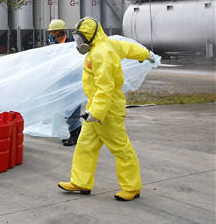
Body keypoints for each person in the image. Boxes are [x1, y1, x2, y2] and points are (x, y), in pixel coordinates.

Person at [58, 17, 156, 202]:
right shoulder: (106, 44)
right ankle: (81, 182)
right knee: (85, 146)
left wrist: (96, 113)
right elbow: (129, 48)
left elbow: (106, 87)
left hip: (107, 110)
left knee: (120, 148)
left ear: (90, 36)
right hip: (95, 108)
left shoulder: (101, 54)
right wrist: (146, 54)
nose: (79, 42)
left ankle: (131, 188)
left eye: (81, 38)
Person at [48, 19, 83, 146]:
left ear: (59, 32)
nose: (51, 34)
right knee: (66, 109)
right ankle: (74, 132)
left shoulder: (71, 46)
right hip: (61, 82)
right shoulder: (55, 47)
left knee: (73, 109)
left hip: (73, 82)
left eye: (52, 32)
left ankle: (74, 135)